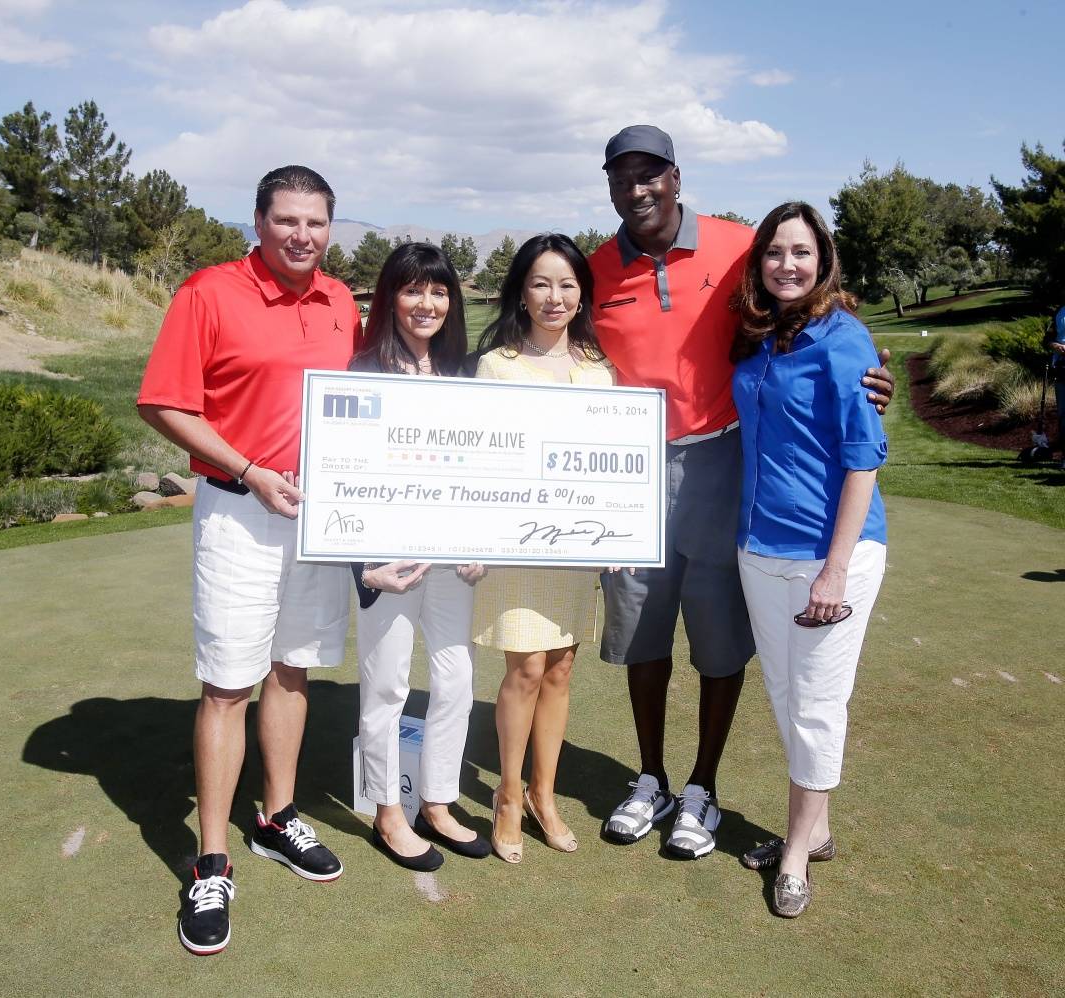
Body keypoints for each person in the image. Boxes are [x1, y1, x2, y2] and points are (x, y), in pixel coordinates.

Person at [588, 125, 894, 859]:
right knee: (641, 633)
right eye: (621, 176)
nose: (637, 189)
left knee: (721, 640)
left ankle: (702, 788)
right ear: (609, 186)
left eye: (650, 174)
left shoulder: (736, 248)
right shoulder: (596, 264)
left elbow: (808, 308)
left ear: (676, 177)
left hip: (724, 464)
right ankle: (651, 776)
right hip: (628, 471)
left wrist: (866, 375)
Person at [137, 165, 360, 955]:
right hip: (240, 511)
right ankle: (211, 860)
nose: (302, 235)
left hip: (318, 521)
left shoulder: (339, 302)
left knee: (293, 672)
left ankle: (276, 818)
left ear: (331, 228)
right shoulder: (209, 291)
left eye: (316, 222)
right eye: (287, 220)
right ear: (260, 221)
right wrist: (247, 471)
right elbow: (163, 401)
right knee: (228, 686)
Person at [730, 201, 888, 917]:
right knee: (789, 700)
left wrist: (834, 567)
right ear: (759, 263)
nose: (786, 264)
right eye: (774, 253)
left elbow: (863, 459)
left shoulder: (843, 339)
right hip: (758, 546)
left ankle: (795, 854)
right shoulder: (760, 337)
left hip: (830, 554)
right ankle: (814, 831)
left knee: (819, 708)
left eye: (800, 252)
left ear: (823, 259)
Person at [471, 233, 614, 863]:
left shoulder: (597, 370)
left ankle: (543, 794)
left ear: (582, 294)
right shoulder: (497, 366)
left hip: (573, 544)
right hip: (514, 541)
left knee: (560, 665)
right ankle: (506, 794)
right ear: (521, 293)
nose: (554, 297)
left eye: (566, 284)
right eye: (540, 283)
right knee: (525, 667)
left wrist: (618, 528)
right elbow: (479, 458)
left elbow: (613, 464)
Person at [348, 243, 490, 870]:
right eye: (412, 291)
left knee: (456, 679)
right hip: (389, 562)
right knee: (387, 685)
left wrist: (483, 542)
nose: (426, 304)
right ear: (390, 299)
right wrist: (361, 566)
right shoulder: (359, 372)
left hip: (451, 560)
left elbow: (487, 472)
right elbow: (340, 478)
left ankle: (437, 801)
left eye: (438, 292)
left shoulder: (463, 375)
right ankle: (387, 811)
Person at [1050, 304, 1065, 469]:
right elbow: (1048, 338)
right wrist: (1056, 346)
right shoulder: (1059, 311)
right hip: (1062, 367)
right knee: (1063, 414)